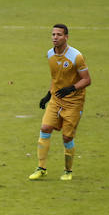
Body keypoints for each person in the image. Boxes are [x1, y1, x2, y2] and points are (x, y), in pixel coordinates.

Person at [28, 24, 92, 182]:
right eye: (53, 34)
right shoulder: (50, 54)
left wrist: (72, 88)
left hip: (74, 103)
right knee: (45, 128)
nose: (55, 37)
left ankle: (68, 170)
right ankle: (41, 168)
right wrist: (47, 95)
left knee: (67, 138)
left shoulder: (76, 56)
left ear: (66, 37)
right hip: (57, 99)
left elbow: (87, 79)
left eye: (59, 34)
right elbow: (56, 78)